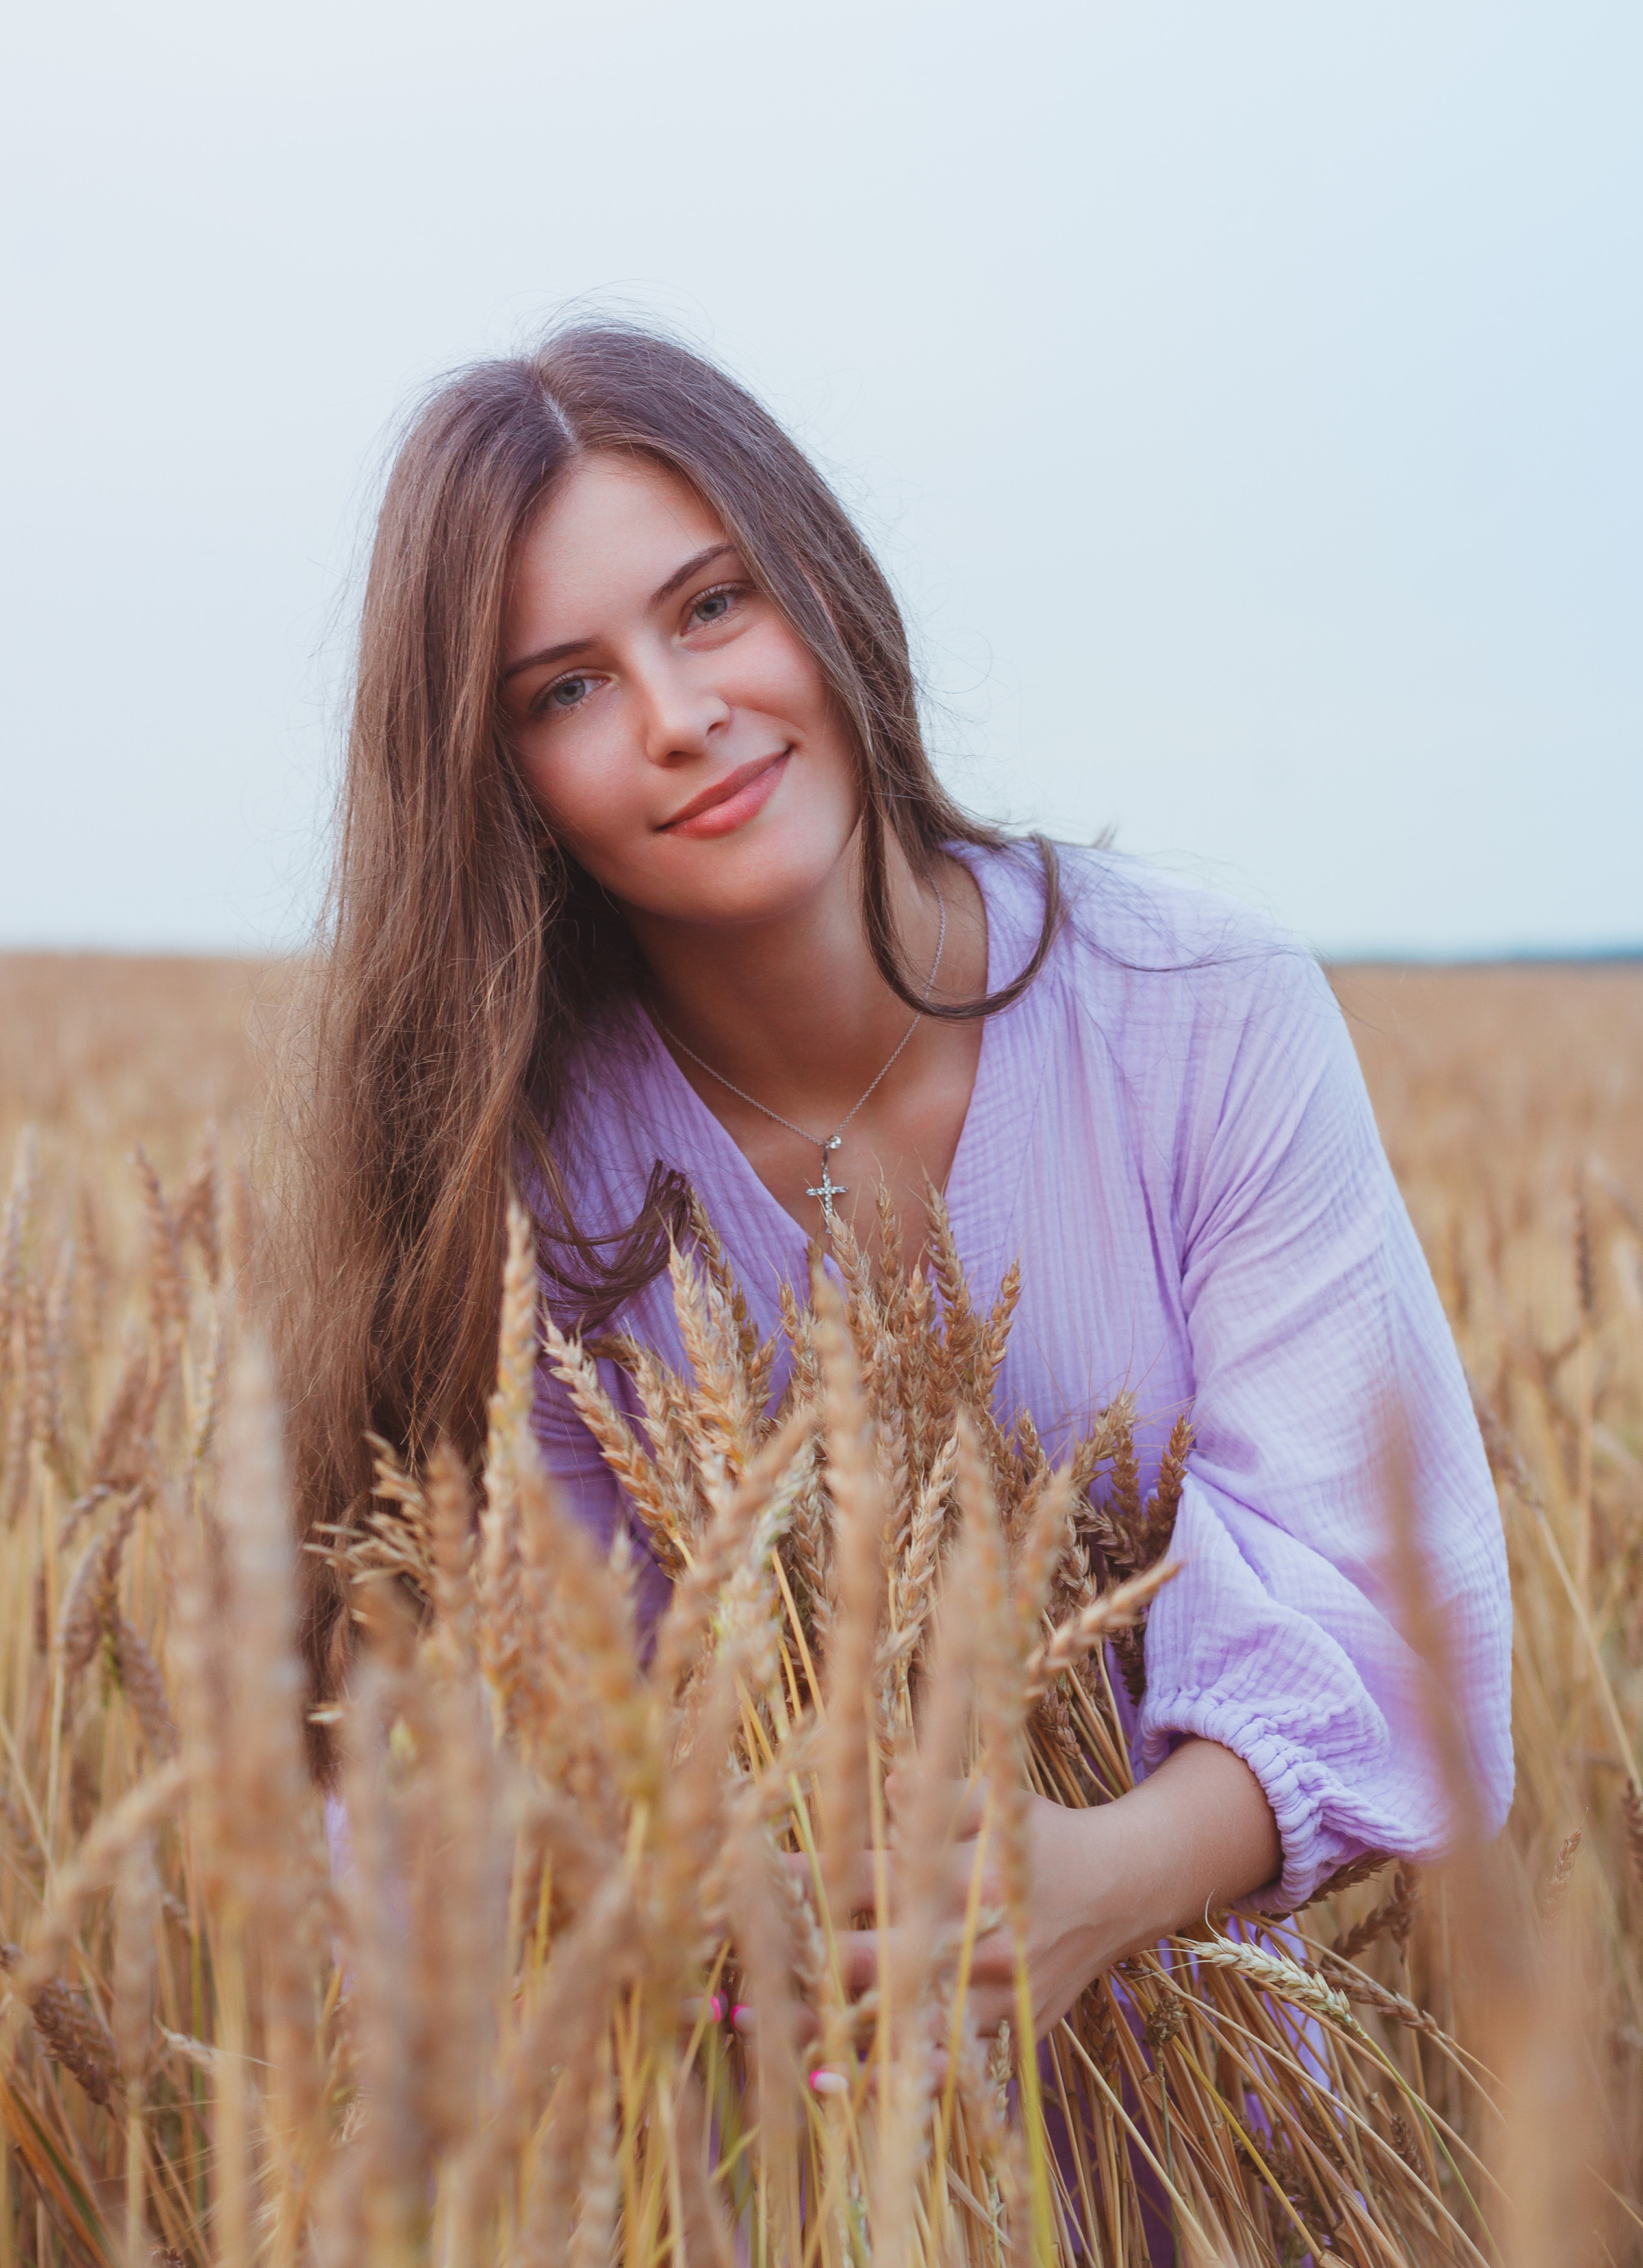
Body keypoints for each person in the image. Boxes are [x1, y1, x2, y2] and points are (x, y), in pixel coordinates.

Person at [284, 321, 1512, 2048]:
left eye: (714, 605)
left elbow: (1374, 1585)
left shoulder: (1201, 1016)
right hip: (744, 2150)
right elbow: (519, 1740)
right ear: (506, 786)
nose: (680, 715)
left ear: (823, 588)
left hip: (1207, 2121)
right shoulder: (522, 1170)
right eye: (566, 689)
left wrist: (1114, 1870)